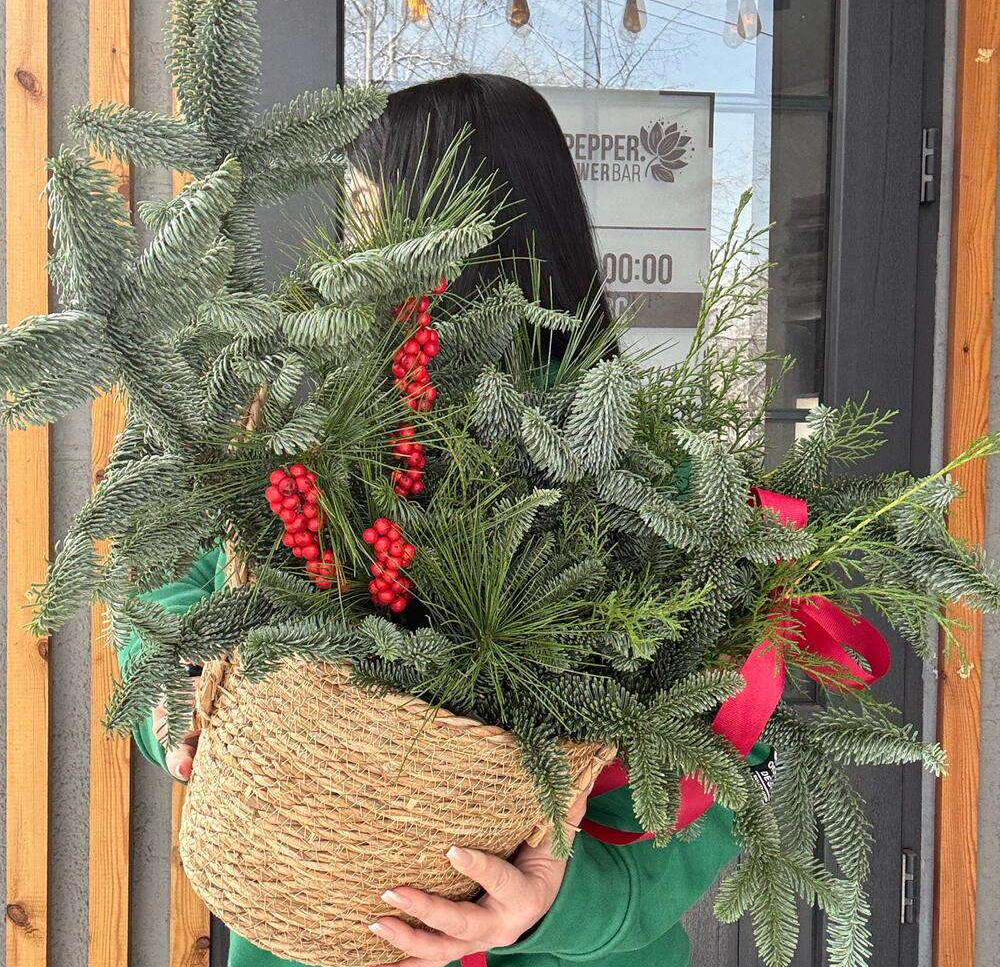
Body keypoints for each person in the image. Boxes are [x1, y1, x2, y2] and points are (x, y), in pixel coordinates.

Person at [119, 73, 767, 967]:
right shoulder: (315, 431)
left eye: (365, 207)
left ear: (458, 232)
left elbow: (713, 778)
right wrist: (171, 693)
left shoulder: (654, 483)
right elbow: (183, 591)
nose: (346, 248)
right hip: (315, 926)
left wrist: (557, 906)